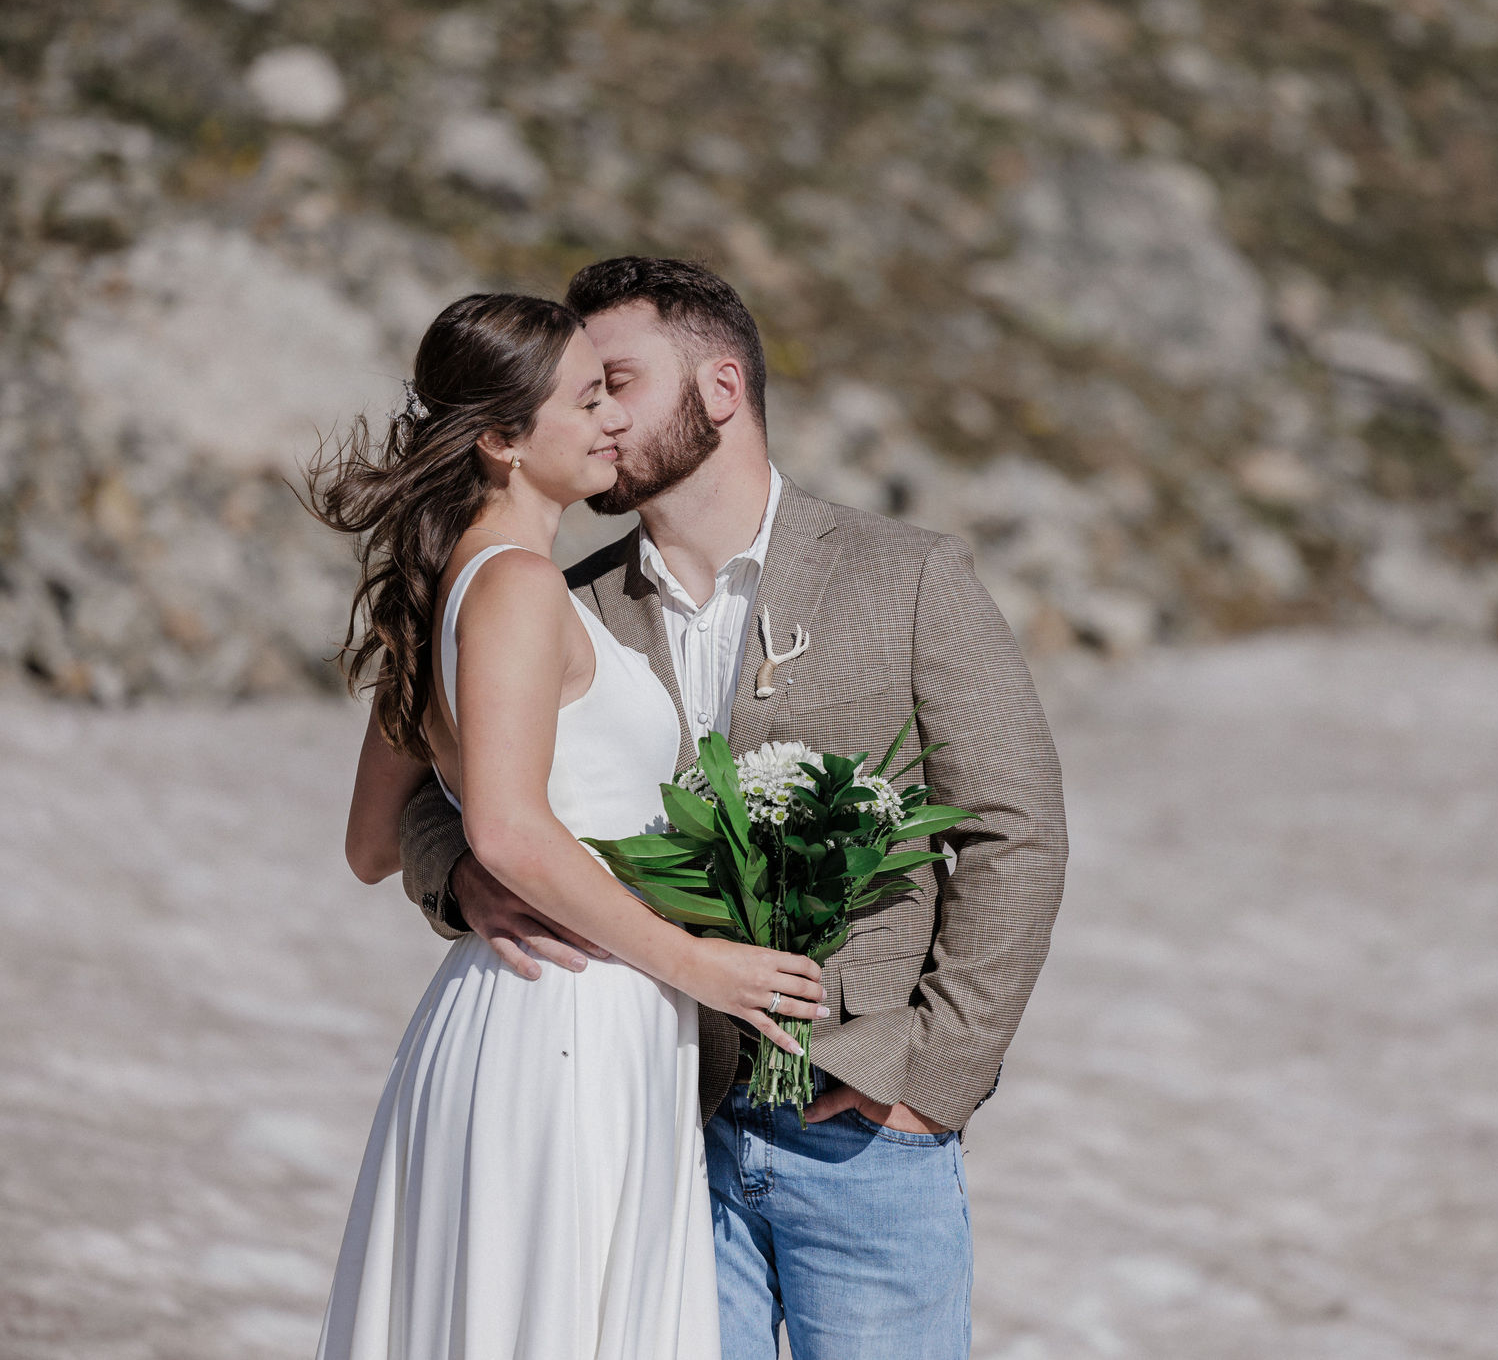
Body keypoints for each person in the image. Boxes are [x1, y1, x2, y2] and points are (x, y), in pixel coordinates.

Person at [394, 258, 1069, 1360]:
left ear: (719, 389)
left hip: (865, 1136)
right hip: (661, 1120)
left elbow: (1015, 829)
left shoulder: (906, 575)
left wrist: (931, 1078)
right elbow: (443, 783)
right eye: (586, 392)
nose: (602, 414)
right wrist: (465, 881)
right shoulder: (568, 597)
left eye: (618, 379)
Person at [303, 291, 825, 1359]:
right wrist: (700, 966)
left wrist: (469, 873)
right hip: (567, 1028)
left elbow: (373, 841)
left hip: (549, 1011)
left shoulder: (450, 584)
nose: (610, 424)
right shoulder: (519, 588)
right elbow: (507, 827)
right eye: (585, 401)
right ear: (501, 440)